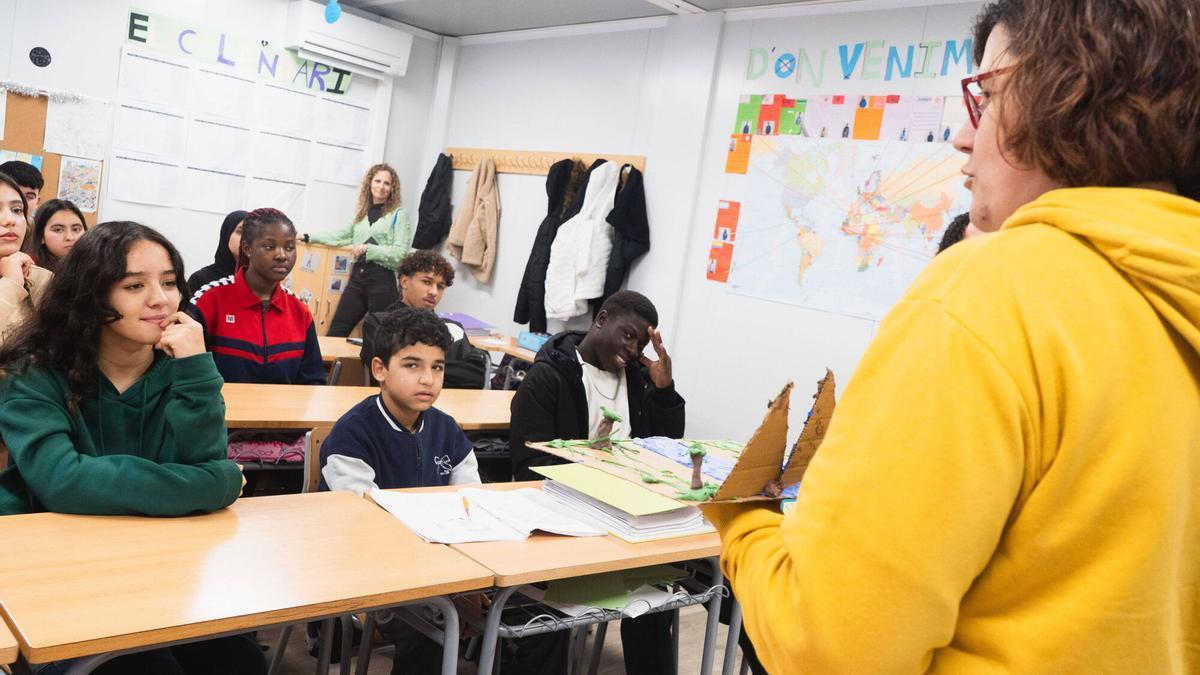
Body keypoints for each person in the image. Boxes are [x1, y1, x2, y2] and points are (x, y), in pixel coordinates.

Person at [703, 1, 1200, 672]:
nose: (964, 138)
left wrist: (743, 524)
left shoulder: (990, 294)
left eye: (986, 97)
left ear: (1068, 91)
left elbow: (827, 648)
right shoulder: (1175, 297)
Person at [0, 221, 261, 674]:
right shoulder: (35, 372)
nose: (160, 299)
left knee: (240, 662)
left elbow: (203, 460)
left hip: (156, 563)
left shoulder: (183, 368)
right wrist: (214, 483)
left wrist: (197, 369)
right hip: (52, 571)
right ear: (91, 295)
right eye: (134, 286)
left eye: (169, 283)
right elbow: (62, 481)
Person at [510, 289, 684, 675]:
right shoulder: (549, 376)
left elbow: (665, 453)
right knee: (551, 615)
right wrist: (589, 461)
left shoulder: (637, 380)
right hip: (564, 522)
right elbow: (529, 467)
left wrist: (664, 390)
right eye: (628, 336)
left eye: (641, 345)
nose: (633, 350)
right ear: (602, 319)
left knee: (654, 600)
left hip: (626, 523)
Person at [320, 308, 479, 673]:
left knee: (508, 608)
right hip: (366, 566)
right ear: (380, 369)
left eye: (437, 367)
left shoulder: (447, 429)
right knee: (432, 624)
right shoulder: (352, 435)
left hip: (436, 564)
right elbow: (366, 522)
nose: (428, 379)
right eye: (412, 365)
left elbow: (472, 501)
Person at [189, 208, 325, 385]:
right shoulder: (209, 300)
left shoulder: (299, 311)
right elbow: (188, 373)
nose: (282, 255)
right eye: (269, 247)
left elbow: (313, 381)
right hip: (219, 403)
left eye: (289, 248)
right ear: (247, 249)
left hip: (283, 404)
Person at [306, 164, 411, 336]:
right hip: (357, 279)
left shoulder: (399, 215)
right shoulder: (361, 214)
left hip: (382, 282)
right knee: (336, 332)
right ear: (370, 183)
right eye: (377, 181)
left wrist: (369, 249)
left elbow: (400, 255)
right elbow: (340, 236)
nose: (381, 186)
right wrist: (309, 237)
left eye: (387, 183)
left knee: (380, 338)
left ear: (393, 188)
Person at [360, 250, 454, 373]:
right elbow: (388, 372)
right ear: (404, 282)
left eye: (440, 287)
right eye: (427, 282)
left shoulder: (453, 327)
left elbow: (476, 370)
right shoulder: (379, 323)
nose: (434, 292)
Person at [0, 172, 51, 344]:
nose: (10, 220)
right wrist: (11, 283)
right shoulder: (15, 280)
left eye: (17, 210)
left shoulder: (41, 279)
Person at [187, 209, 247, 293]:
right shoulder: (201, 279)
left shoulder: (259, 280)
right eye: (240, 232)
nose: (245, 239)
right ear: (226, 234)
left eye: (251, 234)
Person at [29, 198, 87, 273]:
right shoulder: (29, 268)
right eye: (58, 230)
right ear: (41, 236)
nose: (70, 237)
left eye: (76, 229)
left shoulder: (94, 263)